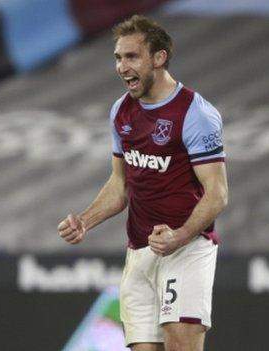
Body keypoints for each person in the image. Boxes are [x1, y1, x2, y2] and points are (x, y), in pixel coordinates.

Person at [57, 15, 228, 351]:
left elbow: (217, 194)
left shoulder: (195, 113)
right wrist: (84, 222)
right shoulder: (121, 112)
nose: (122, 67)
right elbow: (120, 185)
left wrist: (179, 236)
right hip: (139, 253)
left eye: (132, 57)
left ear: (159, 58)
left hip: (187, 248)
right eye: (118, 58)